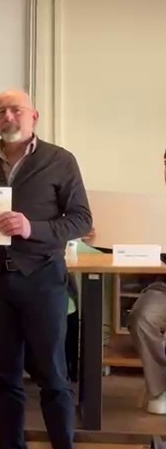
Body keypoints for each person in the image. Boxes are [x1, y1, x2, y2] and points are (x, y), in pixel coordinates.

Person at [0, 90, 92, 449]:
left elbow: (81, 220)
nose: (8, 116)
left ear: (34, 117)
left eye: (16, 110)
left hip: (43, 280)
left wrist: (33, 228)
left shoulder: (60, 160)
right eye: (1, 111)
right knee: (2, 380)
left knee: (53, 376)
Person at [128, 148, 166, 415]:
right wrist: (97, 236)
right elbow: (129, 242)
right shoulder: (154, 208)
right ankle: (160, 388)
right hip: (163, 285)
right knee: (141, 317)